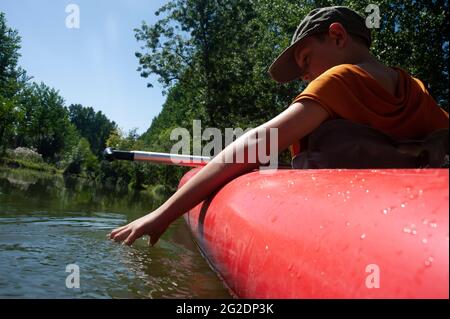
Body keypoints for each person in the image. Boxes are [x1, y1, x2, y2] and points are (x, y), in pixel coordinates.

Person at [109, 6, 449, 246]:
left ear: (337, 35)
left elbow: (259, 141)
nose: (304, 76)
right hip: (401, 219)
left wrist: (162, 214)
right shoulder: (417, 89)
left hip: (342, 225)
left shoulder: (340, 78)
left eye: (305, 60)